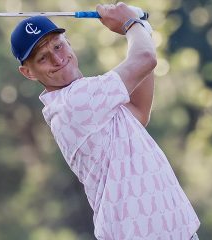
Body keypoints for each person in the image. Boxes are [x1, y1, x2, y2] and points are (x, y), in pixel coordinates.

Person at [10, 3, 200, 240]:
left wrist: (143, 31)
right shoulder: (74, 102)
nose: (58, 58)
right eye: (43, 58)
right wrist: (131, 24)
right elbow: (145, 59)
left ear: (68, 42)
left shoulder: (87, 99)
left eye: (58, 46)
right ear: (28, 72)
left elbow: (139, 112)